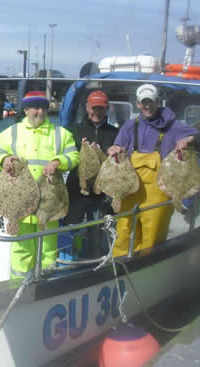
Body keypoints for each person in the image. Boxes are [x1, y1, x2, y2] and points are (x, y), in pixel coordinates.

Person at [0, 91, 79, 277]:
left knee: (48, 250)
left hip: (48, 203)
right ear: (25, 110)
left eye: (43, 108)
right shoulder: (9, 133)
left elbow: (74, 157)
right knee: (20, 251)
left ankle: (46, 285)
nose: (40, 112)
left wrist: (58, 162)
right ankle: (18, 284)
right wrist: (4, 159)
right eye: (35, 108)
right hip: (19, 203)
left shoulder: (62, 134)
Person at [108, 83, 199, 257]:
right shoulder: (129, 126)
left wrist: (189, 139)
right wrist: (114, 150)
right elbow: (118, 147)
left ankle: (148, 267)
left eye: (151, 101)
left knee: (153, 237)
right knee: (123, 234)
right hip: (129, 190)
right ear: (138, 104)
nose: (147, 106)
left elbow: (198, 134)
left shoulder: (173, 126)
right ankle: (119, 266)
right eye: (144, 102)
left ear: (158, 101)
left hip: (158, 191)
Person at [63, 90, 119, 259]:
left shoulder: (115, 133)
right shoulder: (72, 130)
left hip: (101, 193)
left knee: (97, 231)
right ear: (87, 108)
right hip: (76, 190)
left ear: (107, 109)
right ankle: (67, 258)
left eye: (101, 108)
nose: (97, 112)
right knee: (69, 229)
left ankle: (94, 261)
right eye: (93, 108)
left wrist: (113, 153)